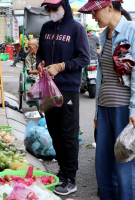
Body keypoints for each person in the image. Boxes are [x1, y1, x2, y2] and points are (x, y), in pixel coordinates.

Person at [78, 0, 135, 199]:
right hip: (104, 108)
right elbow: (102, 77)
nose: (93, 16)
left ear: (110, 7)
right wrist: (96, 112)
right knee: (104, 163)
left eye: (95, 11)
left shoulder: (133, 31)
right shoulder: (104, 35)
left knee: (127, 163)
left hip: (126, 109)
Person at [37, 0, 90, 195]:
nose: (52, 12)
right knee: (54, 130)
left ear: (65, 6)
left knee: (68, 132)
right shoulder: (46, 27)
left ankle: (71, 178)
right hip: (47, 87)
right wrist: (40, 64)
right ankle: (62, 170)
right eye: (48, 8)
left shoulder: (77, 29)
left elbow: (84, 58)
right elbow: (41, 53)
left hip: (68, 88)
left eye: (55, 8)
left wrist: (60, 66)